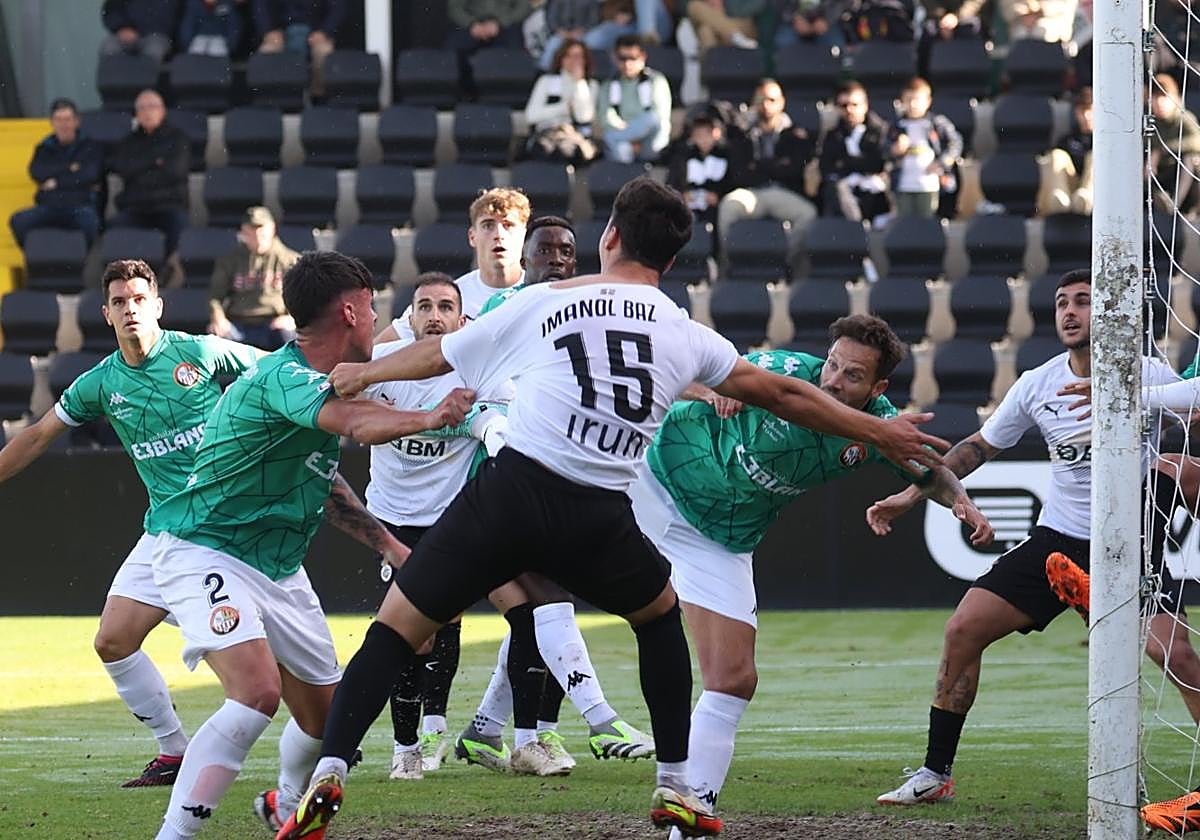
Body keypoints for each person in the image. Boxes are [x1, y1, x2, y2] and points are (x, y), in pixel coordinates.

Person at [279, 176, 948, 839]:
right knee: (659, 619)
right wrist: (879, 430)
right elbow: (785, 395)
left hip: (511, 493)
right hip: (597, 514)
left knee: (395, 631)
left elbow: (437, 357)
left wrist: (365, 373)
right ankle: (676, 783)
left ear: (610, 237)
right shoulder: (684, 332)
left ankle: (331, 768)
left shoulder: (547, 300)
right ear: (674, 259)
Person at [144, 251, 473, 840]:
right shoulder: (285, 376)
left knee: (327, 722)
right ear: (350, 310)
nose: (378, 321)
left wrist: (393, 549)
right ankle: (175, 835)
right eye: (373, 309)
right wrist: (432, 419)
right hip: (205, 549)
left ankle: (288, 810)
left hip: (279, 570)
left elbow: (327, 488)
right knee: (256, 693)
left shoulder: (312, 386)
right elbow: (359, 425)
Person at [630, 315, 991, 839]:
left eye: (852, 376)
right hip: (655, 483)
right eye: (832, 365)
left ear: (878, 388)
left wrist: (963, 504)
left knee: (734, 679)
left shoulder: (880, 431)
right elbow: (669, 372)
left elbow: (932, 469)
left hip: (720, 537)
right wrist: (709, 389)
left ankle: (688, 818)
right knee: (549, 574)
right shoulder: (779, 370)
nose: (832, 381)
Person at [871, 269, 1200, 806]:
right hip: (1058, 540)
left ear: (1112, 314)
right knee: (962, 630)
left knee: (1173, 654)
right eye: (1061, 303)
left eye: (1084, 302)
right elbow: (977, 448)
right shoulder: (1036, 383)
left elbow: (1196, 411)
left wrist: (1159, 430)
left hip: (1131, 538)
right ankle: (935, 775)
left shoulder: (1147, 372)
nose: (1070, 312)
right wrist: (909, 497)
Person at [0, 259, 261, 788]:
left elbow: (277, 372)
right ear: (106, 314)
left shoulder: (201, 352)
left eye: (139, 299)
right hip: (166, 528)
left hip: (226, 530)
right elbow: (36, 435)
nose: (131, 309)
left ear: (157, 306)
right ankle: (174, 752)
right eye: (120, 302)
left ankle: (325, 741)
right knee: (113, 640)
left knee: (256, 670)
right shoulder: (99, 383)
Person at [463, 217, 657, 773]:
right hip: (505, 477)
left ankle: (486, 730)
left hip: (566, 478)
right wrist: (493, 433)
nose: (556, 257)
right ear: (526, 257)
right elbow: (471, 390)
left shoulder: (590, 313)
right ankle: (596, 719)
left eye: (565, 250)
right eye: (544, 248)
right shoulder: (505, 313)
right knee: (550, 602)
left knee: (535, 615)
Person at [376, 188, 531, 344]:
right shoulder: (446, 299)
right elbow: (376, 352)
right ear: (472, 236)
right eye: (488, 225)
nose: (498, 234)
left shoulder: (542, 292)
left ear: (525, 236)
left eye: (508, 225)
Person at [716, 78, 817, 258]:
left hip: (782, 192)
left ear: (782, 102)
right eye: (761, 100)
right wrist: (776, 166)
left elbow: (794, 171)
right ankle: (731, 263)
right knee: (728, 207)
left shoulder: (794, 134)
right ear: (754, 103)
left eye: (772, 100)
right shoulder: (744, 133)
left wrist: (759, 166)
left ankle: (784, 263)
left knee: (808, 214)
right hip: (752, 193)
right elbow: (739, 174)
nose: (767, 105)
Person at [8, 98, 105, 248]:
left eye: (67, 119)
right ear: (52, 122)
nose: (63, 125)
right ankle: (37, 260)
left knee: (90, 221)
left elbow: (90, 175)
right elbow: (36, 172)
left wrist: (56, 182)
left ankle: (81, 266)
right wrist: (69, 168)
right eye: (58, 119)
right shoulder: (44, 148)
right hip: (48, 206)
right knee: (18, 221)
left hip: (79, 206)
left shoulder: (90, 146)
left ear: (76, 121)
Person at [108, 90, 190, 257]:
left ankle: (170, 273)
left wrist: (141, 168)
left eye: (152, 107)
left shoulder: (177, 138)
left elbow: (176, 171)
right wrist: (155, 162)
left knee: (180, 228)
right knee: (114, 228)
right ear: (136, 114)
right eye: (142, 108)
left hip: (169, 204)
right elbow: (124, 170)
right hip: (136, 206)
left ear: (163, 111)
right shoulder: (127, 142)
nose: (147, 112)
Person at [208, 206, 300, 350]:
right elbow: (215, 296)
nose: (257, 234)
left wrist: (292, 319)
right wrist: (218, 318)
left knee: (289, 339)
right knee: (215, 340)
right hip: (239, 324)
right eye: (251, 229)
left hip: (275, 323)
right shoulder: (230, 260)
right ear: (243, 231)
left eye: (261, 228)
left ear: (272, 229)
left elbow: (304, 298)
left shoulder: (290, 260)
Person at [819, 81, 891, 226]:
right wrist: (859, 164)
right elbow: (826, 167)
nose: (849, 110)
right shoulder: (833, 135)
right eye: (844, 106)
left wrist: (845, 162)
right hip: (845, 192)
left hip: (875, 193)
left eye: (854, 105)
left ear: (865, 105)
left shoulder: (881, 130)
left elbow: (877, 163)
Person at [888, 77, 962, 219]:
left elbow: (956, 143)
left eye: (917, 99)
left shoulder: (937, 124)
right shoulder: (896, 127)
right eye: (909, 99)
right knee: (905, 223)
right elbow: (884, 149)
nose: (913, 104)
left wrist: (942, 162)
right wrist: (894, 149)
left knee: (926, 221)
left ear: (928, 101)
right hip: (903, 184)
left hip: (928, 184)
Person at [524, 37, 600, 165]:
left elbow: (584, 117)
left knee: (568, 150)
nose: (573, 61)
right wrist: (564, 108)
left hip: (575, 136)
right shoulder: (546, 81)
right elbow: (530, 116)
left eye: (578, 56)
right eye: (568, 56)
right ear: (561, 59)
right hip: (547, 133)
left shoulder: (591, 85)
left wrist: (579, 82)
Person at [601, 35, 673, 164]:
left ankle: (616, 138)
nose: (628, 64)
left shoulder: (656, 80)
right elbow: (605, 116)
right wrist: (625, 133)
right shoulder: (609, 85)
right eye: (622, 58)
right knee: (621, 147)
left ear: (642, 57)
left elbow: (659, 116)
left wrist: (634, 136)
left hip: (650, 140)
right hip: (623, 138)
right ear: (615, 58)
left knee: (652, 118)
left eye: (633, 58)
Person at [667, 113, 742, 227]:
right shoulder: (684, 156)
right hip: (690, 206)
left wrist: (719, 196)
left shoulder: (727, 155)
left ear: (716, 133)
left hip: (716, 207)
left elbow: (733, 182)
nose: (703, 140)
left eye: (707, 134)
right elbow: (673, 182)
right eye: (699, 135)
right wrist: (683, 194)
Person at [446, 0, 532, 97]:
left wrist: (500, 23)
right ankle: (465, 95)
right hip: (472, 25)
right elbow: (454, 8)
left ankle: (509, 94)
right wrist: (471, 24)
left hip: (505, 25)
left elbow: (523, 7)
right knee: (453, 49)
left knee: (516, 50)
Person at [1150, 72, 1200, 215]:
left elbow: (1197, 141)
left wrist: (1162, 150)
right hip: (1159, 174)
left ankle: (1173, 204)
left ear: (1175, 98)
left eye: (1164, 97)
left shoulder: (1184, 119)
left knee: (1190, 159)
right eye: (1156, 98)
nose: (1160, 103)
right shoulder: (1150, 123)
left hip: (1185, 180)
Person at [1039, 86, 1093, 216]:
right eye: (1082, 111)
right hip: (1070, 189)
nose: (1086, 116)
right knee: (1057, 155)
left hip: (1094, 190)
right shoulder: (1067, 140)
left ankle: (1086, 199)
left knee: (1096, 157)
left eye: (1090, 110)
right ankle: (1059, 197)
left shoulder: (1107, 141)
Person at [100, 0, 181, 63]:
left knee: (154, 50)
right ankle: (116, 84)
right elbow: (112, 9)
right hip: (127, 32)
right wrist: (122, 27)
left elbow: (186, 20)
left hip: (160, 37)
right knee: (110, 47)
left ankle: (147, 84)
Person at [686, 0, 763, 52]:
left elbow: (755, 6)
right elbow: (682, 6)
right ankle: (734, 34)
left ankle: (710, 71)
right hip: (714, 21)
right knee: (694, 6)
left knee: (705, 30)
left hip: (740, 22)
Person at [178, 0, 246, 57]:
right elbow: (187, 26)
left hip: (220, 39)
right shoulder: (194, 4)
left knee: (218, 50)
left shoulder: (226, 4)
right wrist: (187, 44)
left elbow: (233, 25)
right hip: (199, 39)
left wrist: (230, 45)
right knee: (196, 51)